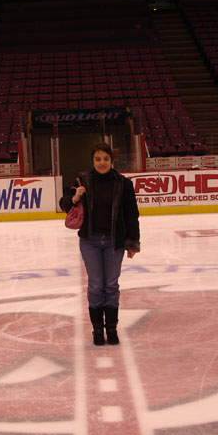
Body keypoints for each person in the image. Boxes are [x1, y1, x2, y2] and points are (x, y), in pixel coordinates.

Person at [60, 142, 140, 346]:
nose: (102, 163)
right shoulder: (83, 180)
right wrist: (75, 197)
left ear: (111, 160)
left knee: (111, 285)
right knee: (96, 285)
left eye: (105, 159)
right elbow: (64, 203)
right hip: (90, 241)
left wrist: (132, 243)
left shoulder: (123, 184)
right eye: (98, 159)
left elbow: (132, 215)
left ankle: (111, 328)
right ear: (92, 161)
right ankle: (97, 329)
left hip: (115, 241)